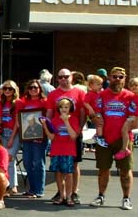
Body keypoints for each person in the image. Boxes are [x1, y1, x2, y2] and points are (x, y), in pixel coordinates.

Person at [90, 67, 136, 210]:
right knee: (103, 169)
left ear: (125, 79)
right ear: (109, 78)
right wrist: (95, 118)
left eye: (120, 77)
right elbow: (95, 113)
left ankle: (126, 198)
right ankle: (101, 196)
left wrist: (134, 124)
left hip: (124, 140)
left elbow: (137, 117)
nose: (117, 79)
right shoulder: (102, 95)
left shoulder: (131, 96)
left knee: (125, 170)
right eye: (114, 76)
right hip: (104, 139)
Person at [46, 68, 86, 205]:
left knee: (74, 164)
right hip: (58, 134)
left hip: (74, 131)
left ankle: (73, 192)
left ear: (71, 77)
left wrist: (79, 129)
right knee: (59, 167)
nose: (63, 79)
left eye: (66, 76)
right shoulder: (53, 94)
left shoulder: (79, 92)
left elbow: (82, 113)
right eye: (60, 77)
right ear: (57, 79)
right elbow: (49, 113)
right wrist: (48, 128)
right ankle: (61, 192)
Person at [41, 97, 79, 207]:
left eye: (66, 107)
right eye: (61, 107)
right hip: (56, 150)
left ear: (70, 108)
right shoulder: (54, 120)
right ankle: (61, 196)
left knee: (69, 174)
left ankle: (69, 196)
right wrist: (45, 126)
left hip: (68, 151)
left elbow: (73, 136)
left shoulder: (74, 119)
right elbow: (52, 137)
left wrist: (66, 121)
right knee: (58, 173)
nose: (63, 109)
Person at [114, 76, 138, 160]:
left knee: (124, 130)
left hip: (136, 118)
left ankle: (124, 149)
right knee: (124, 130)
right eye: (131, 85)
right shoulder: (135, 96)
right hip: (132, 117)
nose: (133, 87)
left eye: (136, 85)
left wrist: (136, 122)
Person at [0, 80, 21, 195]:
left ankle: (12, 186)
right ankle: (8, 185)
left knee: (10, 158)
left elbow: (17, 122)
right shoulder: (0, 102)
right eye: (5, 88)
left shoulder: (17, 103)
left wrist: (12, 138)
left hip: (13, 133)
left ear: (14, 90)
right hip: (2, 133)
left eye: (10, 89)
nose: (7, 90)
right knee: (5, 160)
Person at [84, 74, 106, 147]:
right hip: (94, 113)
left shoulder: (99, 93)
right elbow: (85, 103)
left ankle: (97, 135)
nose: (100, 86)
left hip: (99, 112)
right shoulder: (90, 94)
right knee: (100, 123)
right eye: (98, 84)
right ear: (91, 85)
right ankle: (99, 137)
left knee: (102, 123)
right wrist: (90, 109)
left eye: (101, 84)